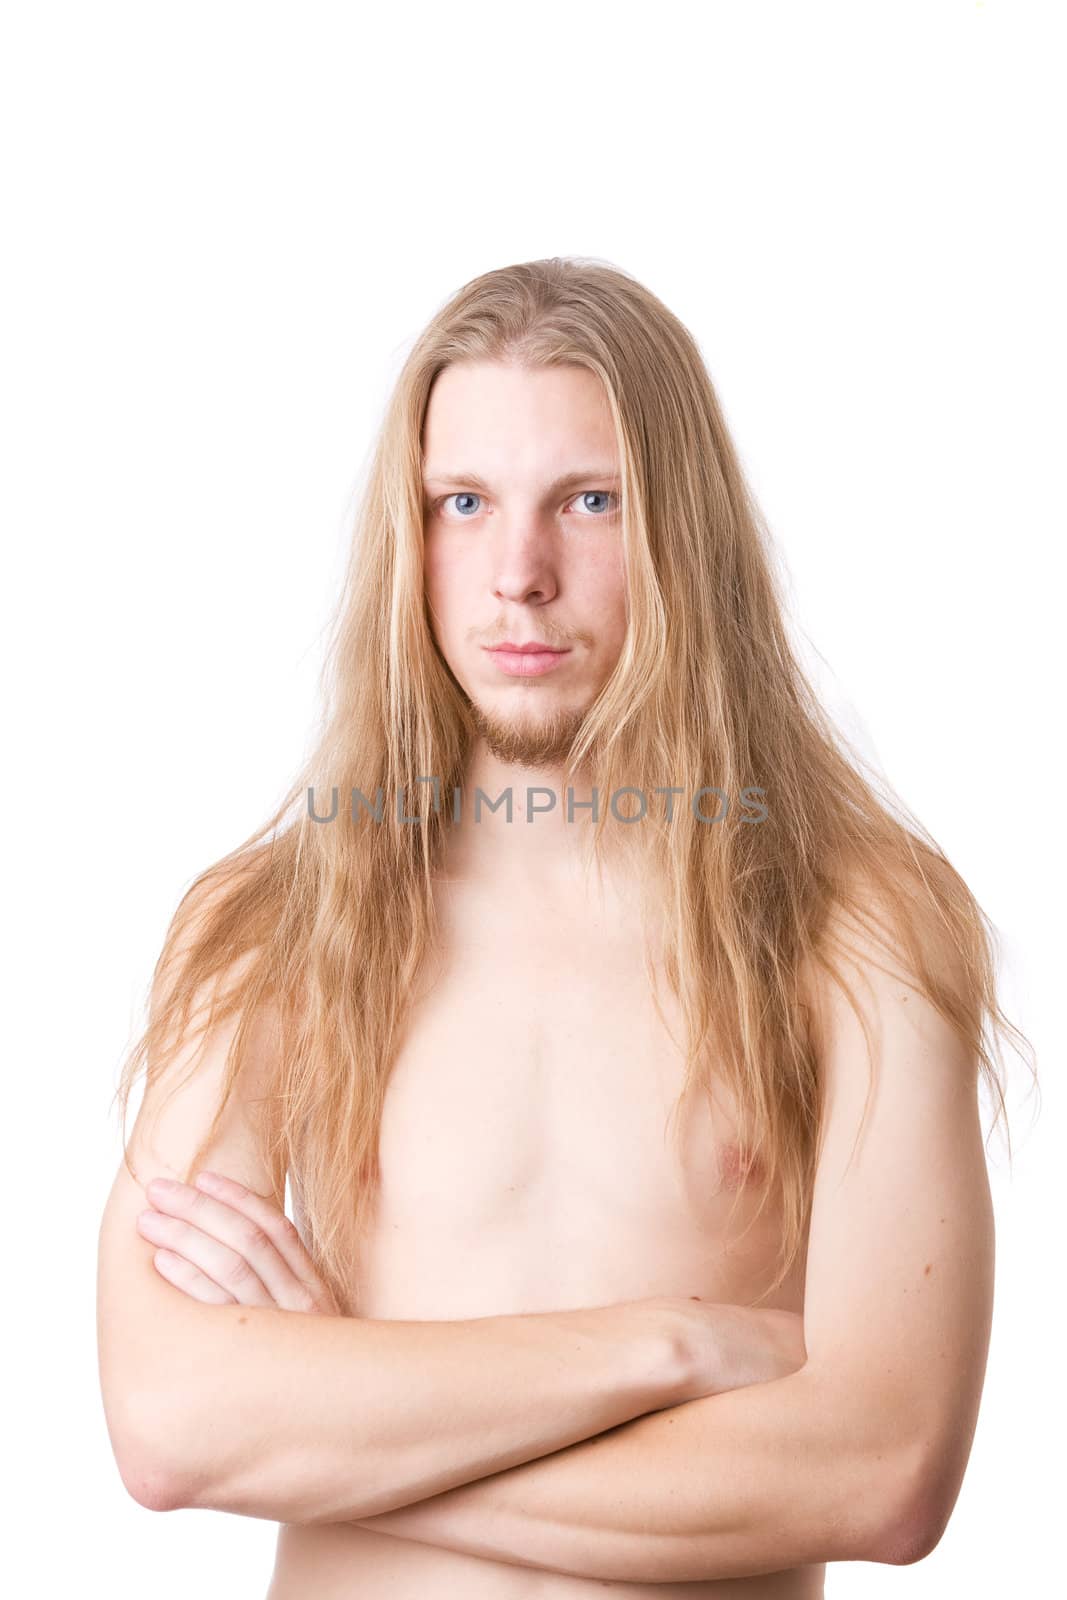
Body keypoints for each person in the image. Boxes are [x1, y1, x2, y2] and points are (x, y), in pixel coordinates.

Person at [97, 257, 1033, 1597]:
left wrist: (348, 1426)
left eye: (589, 502)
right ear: (408, 541)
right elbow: (172, 1426)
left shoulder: (857, 925)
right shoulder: (269, 935)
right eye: (463, 504)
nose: (519, 574)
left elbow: (881, 1473)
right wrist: (675, 1350)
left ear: (680, 532)